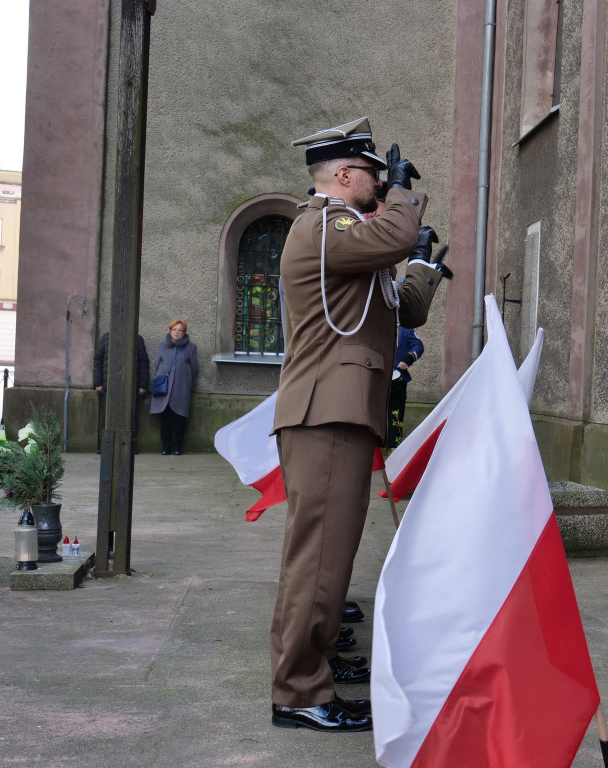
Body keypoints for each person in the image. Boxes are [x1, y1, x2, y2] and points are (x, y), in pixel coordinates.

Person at [269, 117, 451, 732]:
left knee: (328, 556)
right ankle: (298, 690)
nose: (382, 183)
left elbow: (407, 310)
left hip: (339, 410)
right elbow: (391, 238)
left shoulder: (350, 240)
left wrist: (423, 263)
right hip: (326, 411)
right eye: (374, 173)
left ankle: (313, 664)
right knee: (318, 559)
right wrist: (402, 199)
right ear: (344, 175)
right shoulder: (324, 224)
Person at [93, 331, 150, 453]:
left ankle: (131, 446)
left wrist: (143, 385)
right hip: (108, 385)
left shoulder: (137, 340)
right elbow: (98, 361)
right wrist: (98, 382)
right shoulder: (105, 339)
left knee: (131, 416)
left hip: (131, 385)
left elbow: (144, 363)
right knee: (107, 416)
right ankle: (106, 446)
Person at [149, 319, 199, 455]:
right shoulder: (162, 345)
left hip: (181, 389)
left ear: (184, 332)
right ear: (170, 331)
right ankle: (165, 446)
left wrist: (185, 381)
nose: (177, 332)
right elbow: (157, 364)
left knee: (179, 419)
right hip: (164, 388)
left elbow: (195, 369)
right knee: (165, 419)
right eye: (174, 330)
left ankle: (177, 446)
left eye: (180, 330)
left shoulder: (191, 347)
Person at [386, 325, 424, 448]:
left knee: (396, 415)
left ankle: (393, 448)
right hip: (377, 379)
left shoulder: (405, 329)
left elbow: (418, 346)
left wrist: (408, 358)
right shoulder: (376, 324)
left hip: (397, 380)